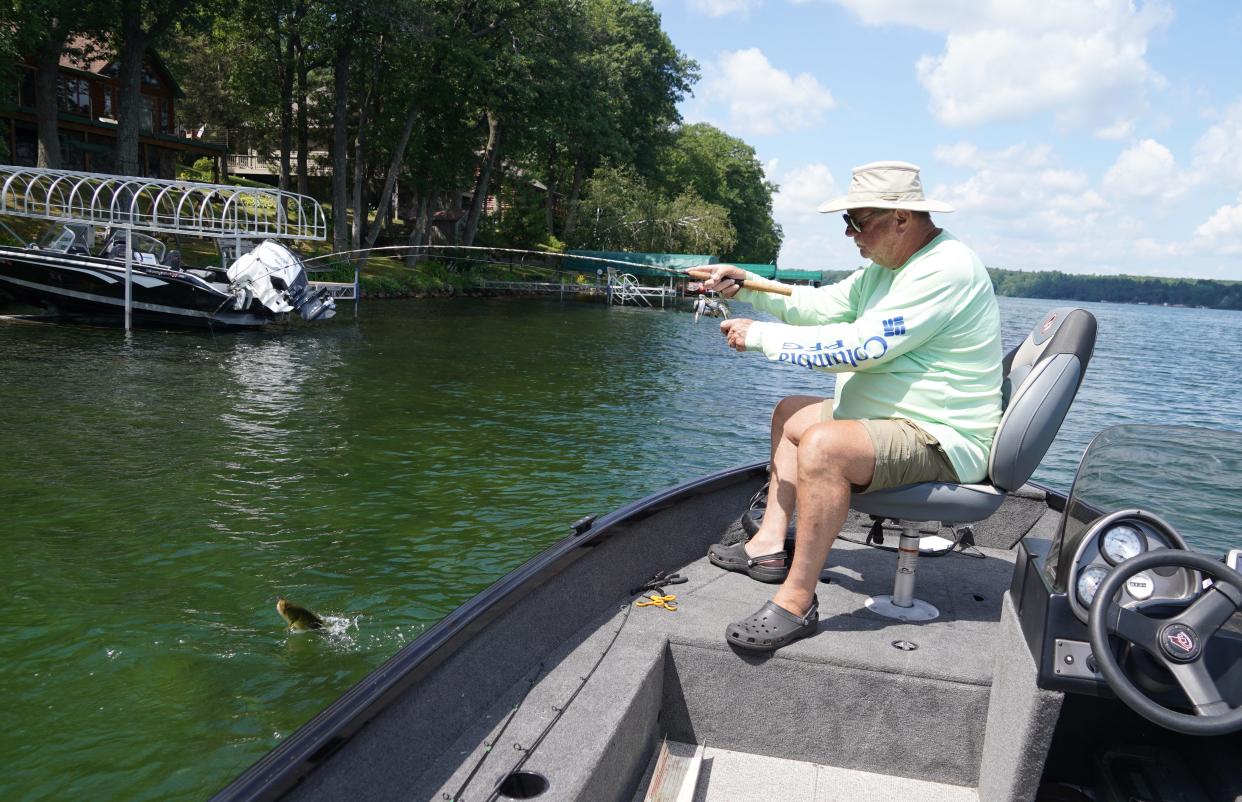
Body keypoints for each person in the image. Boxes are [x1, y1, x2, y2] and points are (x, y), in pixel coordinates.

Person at [699, 160, 1002, 652]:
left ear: (901, 218)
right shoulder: (885, 270)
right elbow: (818, 307)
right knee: (790, 413)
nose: (847, 232)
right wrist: (747, 283)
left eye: (858, 221)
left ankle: (796, 601)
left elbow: (861, 348)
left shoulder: (945, 270)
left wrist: (760, 337)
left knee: (823, 446)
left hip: (942, 436)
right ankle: (768, 545)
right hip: (894, 420)